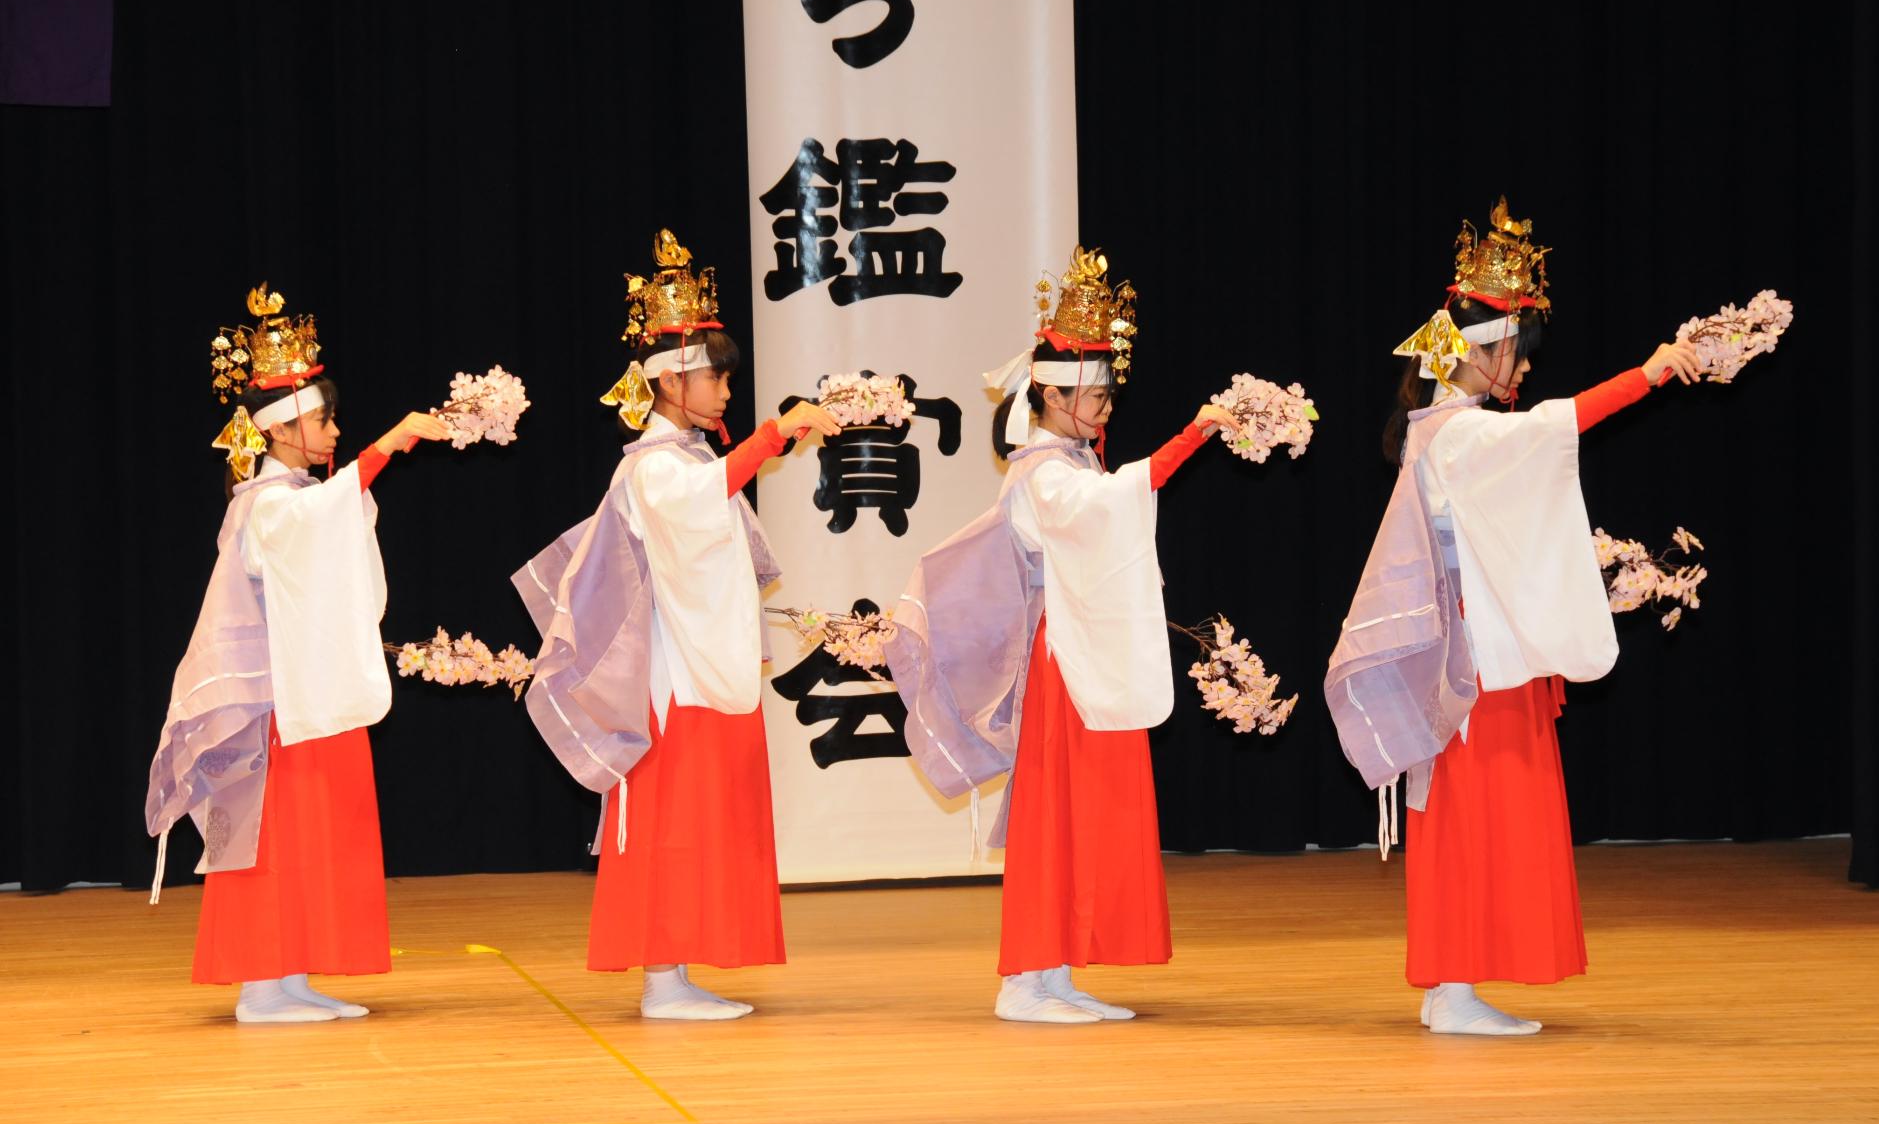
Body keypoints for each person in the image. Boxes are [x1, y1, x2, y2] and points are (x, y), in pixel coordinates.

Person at [1325, 199, 1699, 1036]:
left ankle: (1456, 985)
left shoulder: (1456, 433)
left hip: (1490, 648)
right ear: (1476, 355)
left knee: (1482, 814)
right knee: (1469, 815)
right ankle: (1452, 986)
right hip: (1473, 657)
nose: (1522, 371)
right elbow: (1547, 433)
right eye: (1512, 354)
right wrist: (1648, 374)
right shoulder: (1456, 436)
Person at [887, 246, 1240, 1024]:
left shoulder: (1066, 463)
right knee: (1057, 815)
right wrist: (1191, 436)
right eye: (1096, 397)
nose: (1108, 409)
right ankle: (1024, 978)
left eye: (1111, 395)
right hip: (1062, 664)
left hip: (1082, 654)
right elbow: (1110, 504)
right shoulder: (1043, 474)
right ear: (1049, 397)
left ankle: (1058, 968)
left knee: (1086, 814)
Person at [514, 230, 838, 1020]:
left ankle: (678, 970)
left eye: (727, 376)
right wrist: (774, 436)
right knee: (672, 818)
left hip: (703, 661)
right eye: (713, 376)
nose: (726, 390)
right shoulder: (654, 467)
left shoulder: (687, 461)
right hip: (671, 673)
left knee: (703, 818)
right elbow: (696, 516)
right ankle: (661, 978)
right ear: (668, 382)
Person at [146, 284, 447, 1023]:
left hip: (309, 692)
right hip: (274, 701)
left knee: (314, 833)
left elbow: (332, 526)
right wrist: (385, 446)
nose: (334, 430)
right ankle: (259, 984)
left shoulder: (296, 498)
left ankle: (291, 974)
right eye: (322, 419)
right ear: (280, 432)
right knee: (274, 833)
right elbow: (318, 520)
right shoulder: (266, 503)